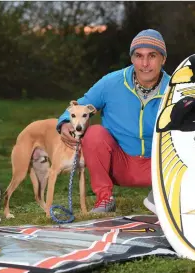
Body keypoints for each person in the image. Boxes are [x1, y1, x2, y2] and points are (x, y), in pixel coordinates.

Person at [57, 29, 170, 213]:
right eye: (138, 56)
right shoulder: (111, 82)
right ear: (132, 59)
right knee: (94, 133)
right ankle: (104, 199)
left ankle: (161, 196)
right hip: (118, 163)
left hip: (159, 167)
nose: (145, 63)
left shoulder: (175, 88)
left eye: (152, 56)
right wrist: (64, 122)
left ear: (163, 59)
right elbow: (82, 104)